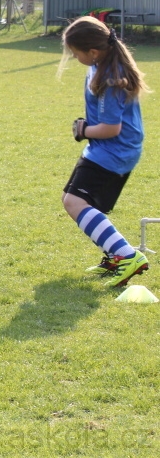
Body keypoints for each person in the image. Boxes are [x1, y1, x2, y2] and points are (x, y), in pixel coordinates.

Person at [60, 16, 150, 287]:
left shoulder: (112, 79)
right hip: (107, 149)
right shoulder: (101, 65)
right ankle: (115, 255)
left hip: (115, 150)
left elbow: (111, 128)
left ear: (93, 52)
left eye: (76, 53)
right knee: (72, 199)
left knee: (75, 202)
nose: (74, 58)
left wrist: (84, 130)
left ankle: (127, 256)